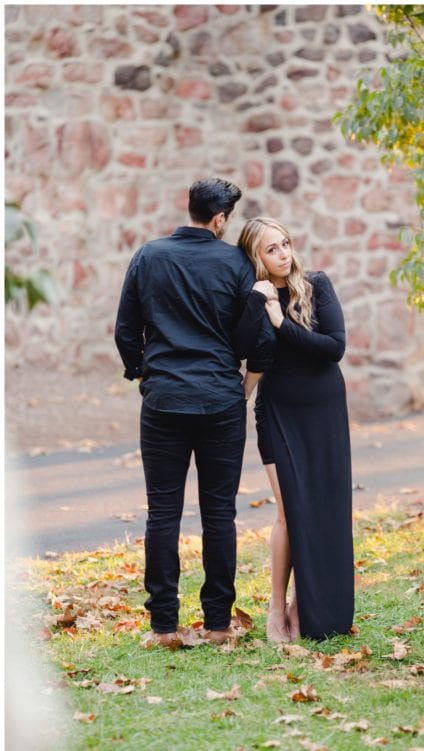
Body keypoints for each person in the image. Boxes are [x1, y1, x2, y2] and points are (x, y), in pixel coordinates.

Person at [114, 177, 270, 647]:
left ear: (192, 209)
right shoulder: (237, 264)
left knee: (162, 512)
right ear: (220, 219)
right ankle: (219, 625)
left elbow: (126, 329)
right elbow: (255, 338)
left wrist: (143, 375)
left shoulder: (148, 256)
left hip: (163, 400)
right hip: (221, 400)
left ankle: (163, 626)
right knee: (219, 514)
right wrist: (242, 384)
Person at [236, 216, 354, 641]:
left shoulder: (316, 286)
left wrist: (282, 323)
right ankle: (275, 607)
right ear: (256, 257)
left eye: (285, 243)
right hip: (278, 411)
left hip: (324, 411)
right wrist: (257, 304)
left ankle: (304, 608)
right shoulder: (250, 296)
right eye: (271, 249)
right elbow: (242, 349)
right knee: (289, 512)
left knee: (323, 509)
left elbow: (334, 348)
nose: (284, 254)